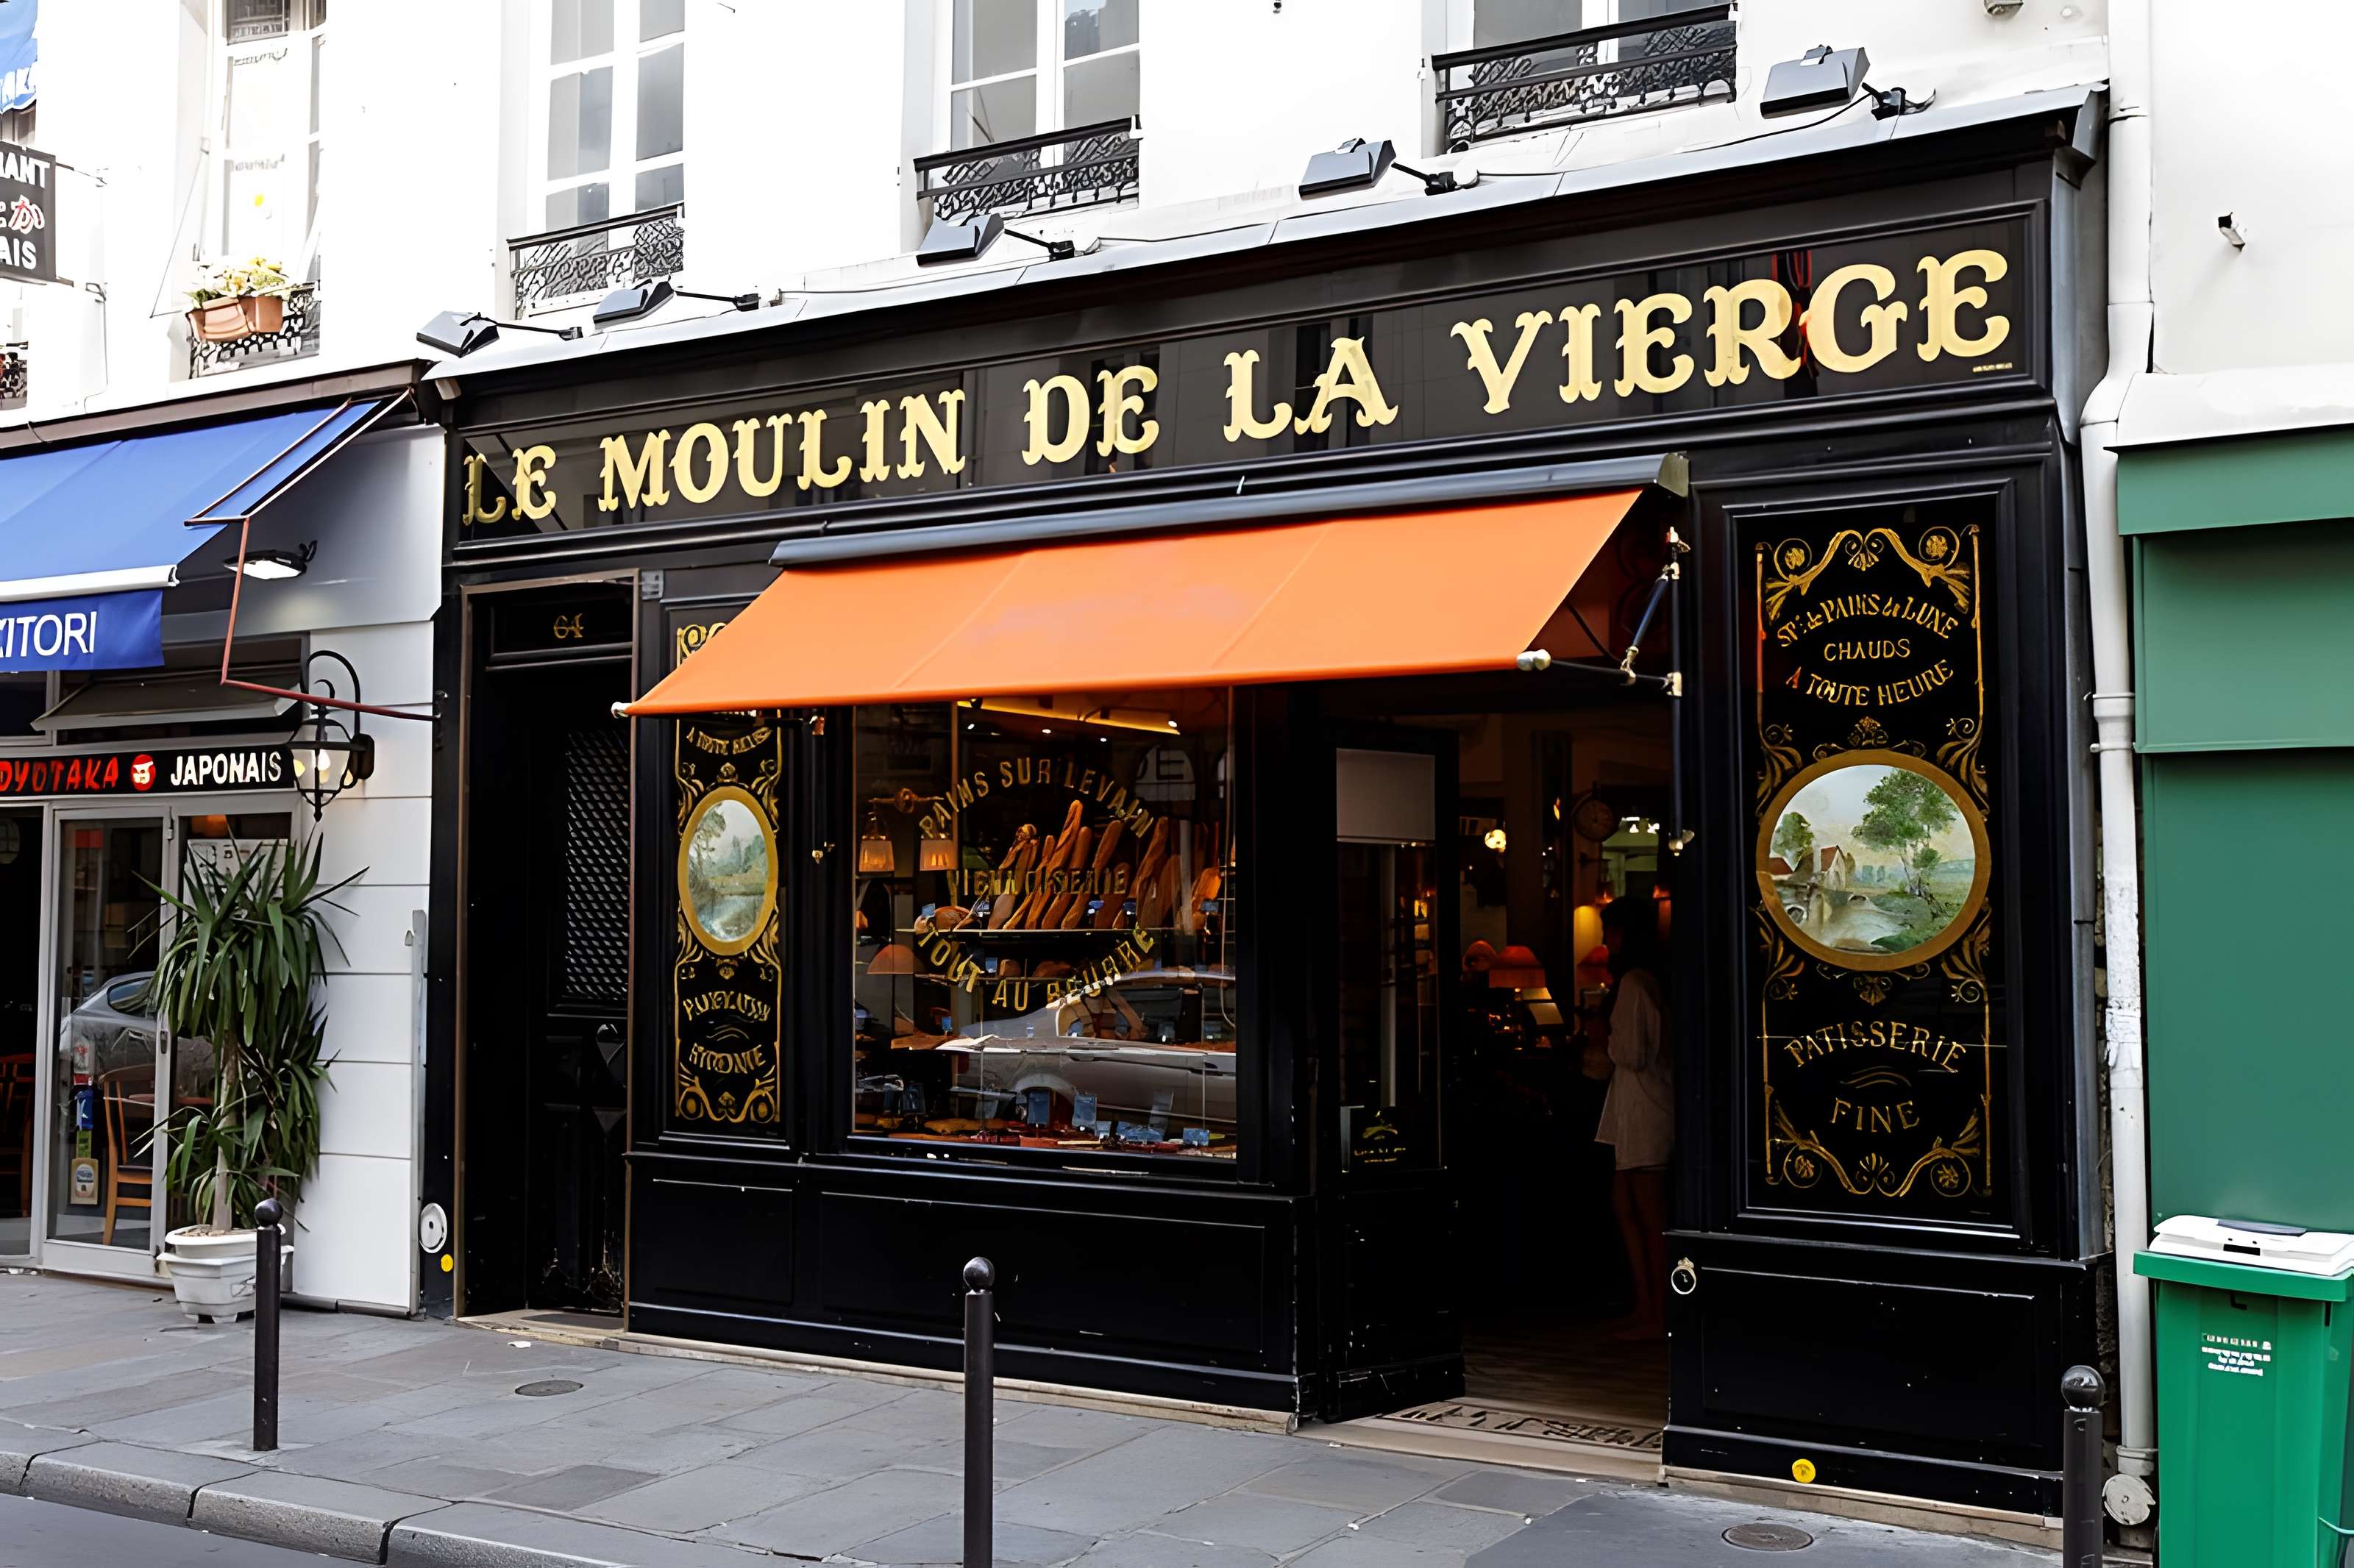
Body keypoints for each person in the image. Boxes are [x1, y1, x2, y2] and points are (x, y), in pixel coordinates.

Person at [1592, 897, 1672, 1338]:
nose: (1605, 940)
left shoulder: (1636, 985)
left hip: (1644, 1106)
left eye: (1609, 931)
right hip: (1637, 1106)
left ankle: (1656, 1312)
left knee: (1645, 1209)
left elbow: (1632, 1053)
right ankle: (1647, 1306)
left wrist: (1603, 1035)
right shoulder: (1650, 982)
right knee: (1628, 1204)